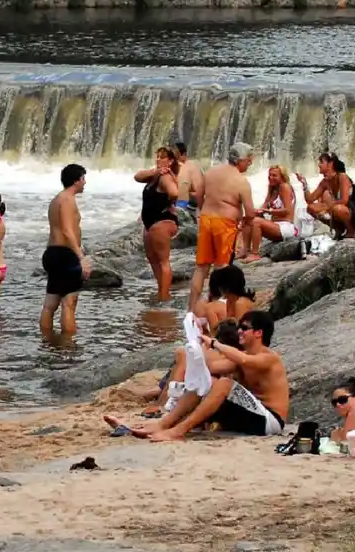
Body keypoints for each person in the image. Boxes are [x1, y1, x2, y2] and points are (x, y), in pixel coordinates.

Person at [116, 310, 289, 442]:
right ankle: (163, 424)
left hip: (269, 421)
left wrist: (214, 343)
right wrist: (199, 342)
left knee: (225, 383)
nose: (239, 332)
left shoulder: (269, 358)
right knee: (206, 382)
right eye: (239, 328)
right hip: (250, 416)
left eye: (244, 328)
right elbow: (210, 366)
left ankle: (177, 431)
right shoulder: (242, 358)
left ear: (259, 333)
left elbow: (243, 359)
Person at [188, 144, 254, 309]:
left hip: (206, 219)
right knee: (222, 267)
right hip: (225, 224)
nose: (251, 163)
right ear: (240, 160)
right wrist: (243, 223)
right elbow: (251, 212)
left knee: (201, 267)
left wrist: (205, 209)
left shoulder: (211, 172)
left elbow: (198, 194)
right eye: (249, 159)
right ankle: (218, 308)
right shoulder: (241, 181)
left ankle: (191, 308)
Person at [40, 163, 91, 337]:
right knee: (69, 303)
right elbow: (68, 231)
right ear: (76, 180)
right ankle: (68, 348)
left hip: (52, 253)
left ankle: (47, 342)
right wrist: (81, 257)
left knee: (50, 304)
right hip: (65, 255)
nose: (85, 183)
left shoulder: (56, 199)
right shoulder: (68, 200)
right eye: (83, 178)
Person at [134, 147, 180, 300]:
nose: (158, 160)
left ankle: (164, 295)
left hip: (162, 220)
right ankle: (161, 289)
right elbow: (137, 176)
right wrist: (155, 171)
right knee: (152, 258)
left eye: (162, 157)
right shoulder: (155, 175)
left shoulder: (166, 177)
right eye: (157, 156)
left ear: (171, 161)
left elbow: (174, 192)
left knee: (163, 260)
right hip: (150, 222)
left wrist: (170, 203)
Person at [241, 165, 298, 261]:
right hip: (275, 225)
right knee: (248, 218)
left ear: (282, 177)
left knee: (256, 222)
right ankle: (245, 250)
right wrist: (256, 211)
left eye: (274, 175)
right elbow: (264, 205)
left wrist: (269, 211)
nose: (271, 178)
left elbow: (287, 210)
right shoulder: (272, 188)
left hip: (286, 227)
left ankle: (255, 254)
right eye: (269, 175)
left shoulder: (285, 187)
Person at [298, 153, 355, 239]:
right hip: (339, 210)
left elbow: (344, 200)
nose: (319, 165)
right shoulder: (325, 181)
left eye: (321, 162)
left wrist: (326, 209)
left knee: (338, 209)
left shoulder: (342, 176)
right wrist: (304, 185)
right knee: (311, 208)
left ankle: (351, 231)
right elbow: (310, 199)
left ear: (330, 164)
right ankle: (339, 229)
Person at [172, 141, 204, 209]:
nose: (174, 160)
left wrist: (185, 192)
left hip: (188, 205)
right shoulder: (175, 166)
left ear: (183, 154)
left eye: (175, 157)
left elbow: (199, 192)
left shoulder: (192, 167)